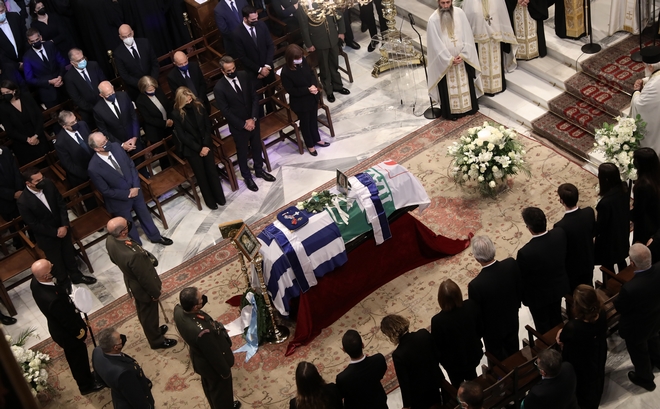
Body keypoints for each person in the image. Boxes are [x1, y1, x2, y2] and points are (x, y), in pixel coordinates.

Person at [29, 259, 105, 396]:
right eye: (51, 267)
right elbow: (67, 321)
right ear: (46, 276)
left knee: (77, 357)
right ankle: (86, 385)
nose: (53, 265)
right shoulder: (53, 300)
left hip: (57, 323)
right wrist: (79, 331)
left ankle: (87, 378)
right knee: (78, 359)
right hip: (67, 333)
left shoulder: (36, 282)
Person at [87, 132, 173, 246]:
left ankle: (155, 237)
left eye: (106, 139)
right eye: (103, 143)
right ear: (97, 148)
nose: (107, 143)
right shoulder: (93, 168)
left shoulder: (116, 147)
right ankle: (137, 245)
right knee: (127, 225)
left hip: (135, 189)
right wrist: (127, 193)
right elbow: (105, 191)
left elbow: (131, 165)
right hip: (119, 200)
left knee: (145, 215)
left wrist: (136, 186)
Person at [17, 167, 97, 286]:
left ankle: (76, 276)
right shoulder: (23, 201)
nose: (42, 181)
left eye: (42, 178)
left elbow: (61, 204)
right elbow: (33, 224)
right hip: (47, 236)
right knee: (57, 263)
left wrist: (64, 225)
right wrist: (55, 232)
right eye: (37, 181)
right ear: (28, 183)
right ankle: (65, 283)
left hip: (63, 228)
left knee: (69, 255)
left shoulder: (48, 184)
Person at [105, 216, 177, 350]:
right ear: (123, 232)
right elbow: (145, 278)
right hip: (142, 288)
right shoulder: (134, 256)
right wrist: (154, 293)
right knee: (149, 315)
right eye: (127, 224)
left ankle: (154, 331)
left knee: (145, 313)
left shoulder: (110, 240)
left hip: (131, 280)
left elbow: (114, 259)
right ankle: (156, 341)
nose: (129, 224)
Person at [213, 55, 276, 192]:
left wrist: (253, 118)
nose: (232, 71)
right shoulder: (219, 88)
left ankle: (259, 170)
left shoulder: (244, 75)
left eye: (233, 68)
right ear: (222, 71)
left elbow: (254, 97)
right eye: (229, 70)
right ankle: (247, 177)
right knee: (242, 152)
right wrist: (243, 124)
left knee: (256, 145)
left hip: (253, 120)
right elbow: (226, 111)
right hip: (239, 126)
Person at [173, 287, 241, 409]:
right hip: (211, 366)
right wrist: (225, 372)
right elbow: (214, 355)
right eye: (200, 299)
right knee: (221, 392)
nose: (203, 299)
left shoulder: (178, 311)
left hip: (199, 358)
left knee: (211, 388)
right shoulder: (203, 332)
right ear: (195, 307)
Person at [613, 243, 660, 391]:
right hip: (656, 318)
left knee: (639, 352)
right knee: (654, 339)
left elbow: (620, 308)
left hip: (637, 328)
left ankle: (646, 379)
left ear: (632, 263)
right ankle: (658, 360)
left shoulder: (630, 288)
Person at [517, 207, 570, 334]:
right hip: (558, 288)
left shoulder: (525, 253)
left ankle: (550, 343)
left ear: (529, 228)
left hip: (539, 298)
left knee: (543, 327)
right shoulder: (559, 234)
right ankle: (562, 335)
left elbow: (523, 278)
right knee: (556, 315)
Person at [468, 235, 522, 361]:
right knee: (514, 349)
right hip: (512, 318)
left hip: (492, 331)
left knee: (497, 360)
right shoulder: (510, 264)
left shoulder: (475, 285)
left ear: (476, 258)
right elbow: (519, 288)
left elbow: (477, 314)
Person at [427, 0, 482, 120]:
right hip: (446, 63)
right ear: (438, 2)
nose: (446, 6)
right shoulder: (433, 20)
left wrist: (464, 54)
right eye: (443, 3)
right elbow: (435, 45)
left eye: (448, 2)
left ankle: (469, 108)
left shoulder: (460, 13)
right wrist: (449, 59)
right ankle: (452, 113)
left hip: (462, 59)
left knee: (465, 84)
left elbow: (467, 35)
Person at [172, 86, 226, 209]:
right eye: (186, 101)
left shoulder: (199, 105)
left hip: (205, 144)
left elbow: (207, 126)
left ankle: (220, 197)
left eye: (190, 99)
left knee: (212, 171)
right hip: (192, 149)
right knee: (201, 176)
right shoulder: (176, 113)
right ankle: (210, 201)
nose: (189, 102)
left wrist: (205, 145)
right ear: (180, 101)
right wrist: (199, 149)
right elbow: (182, 136)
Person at [556, 285, 607, 409]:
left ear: (578, 307)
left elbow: (561, 338)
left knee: (583, 385)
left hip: (581, 360)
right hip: (597, 351)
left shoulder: (573, 327)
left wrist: (560, 332)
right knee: (596, 376)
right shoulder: (602, 313)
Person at [380, 314, 444, 409]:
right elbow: (437, 354)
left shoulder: (398, 354)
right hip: (435, 382)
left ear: (390, 334)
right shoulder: (423, 334)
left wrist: (406, 406)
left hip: (419, 395)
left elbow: (404, 383)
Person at [280, 44, 330, 157]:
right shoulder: (286, 72)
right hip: (301, 102)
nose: (300, 59)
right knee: (305, 124)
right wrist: (307, 90)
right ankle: (310, 144)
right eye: (297, 58)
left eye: (300, 57)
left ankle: (317, 139)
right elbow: (291, 90)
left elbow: (312, 73)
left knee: (313, 120)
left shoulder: (304, 61)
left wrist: (313, 85)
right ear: (291, 58)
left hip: (312, 97)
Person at [431, 279, 483, 387]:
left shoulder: (437, 321)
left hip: (453, 365)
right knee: (473, 379)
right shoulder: (471, 305)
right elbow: (480, 329)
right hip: (473, 355)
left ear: (440, 299)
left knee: (457, 386)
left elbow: (438, 347)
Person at [462, 0, 517, 95]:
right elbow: (468, 19)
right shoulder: (469, 2)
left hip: (495, 38)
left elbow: (501, 14)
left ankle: (498, 86)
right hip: (479, 38)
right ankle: (483, 87)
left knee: (495, 62)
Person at [297, 3, 350, 103]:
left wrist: (341, 31)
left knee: (334, 63)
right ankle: (329, 90)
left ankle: (338, 85)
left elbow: (338, 13)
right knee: (324, 67)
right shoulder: (303, 4)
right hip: (319, 40)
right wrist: (309, 44)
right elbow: (304, 26)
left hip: (333, 37)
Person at [92, 328, 155, 408]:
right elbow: (137, 400)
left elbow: (99, 379)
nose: (122, 339)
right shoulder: (124, 373)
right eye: (120, 339)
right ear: (115, 347)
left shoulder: (97, 351)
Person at [554, 183, 596, 290]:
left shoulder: (560, 226)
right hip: (589, 260)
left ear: (561, 201)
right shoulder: (589, 212)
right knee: (589, 285)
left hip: (574, 269)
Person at [54, 110, 97, 210]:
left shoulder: (83, 125)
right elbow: (69, 165)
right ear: (64, 126)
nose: (76, 123)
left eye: (75, 120)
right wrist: (88, 174)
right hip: (82, 175)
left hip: (97, 164)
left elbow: (93, 143)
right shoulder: (60, 143)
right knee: (92, 202)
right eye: (72, 123)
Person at [0, 79, 49, 166]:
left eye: (7, 92)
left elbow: (39, 117)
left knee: (48, 159)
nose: (6, 95)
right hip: (22, 141)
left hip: (38, 134)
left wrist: (36, 135)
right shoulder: (3, 107)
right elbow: (10, 130)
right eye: (3, 93)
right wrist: (27, 139)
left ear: (14, 90)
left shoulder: (26, 97)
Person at [335, 329, 388, 409]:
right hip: (379, 404)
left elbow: (342, 394)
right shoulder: (378, 359)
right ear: (363, 345)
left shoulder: (342, 378)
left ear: (344, 350)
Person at [594, 163, 630, 274]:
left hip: (609, 240)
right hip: (622, 231)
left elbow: (601, 226)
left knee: (607, 266)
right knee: (621, 260)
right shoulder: (624, 187)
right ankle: (624, 277)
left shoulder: (605, 203)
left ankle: (610, 282)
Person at [93, 81, 142, 157]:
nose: (111, 95)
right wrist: (121, 144)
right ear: (101, 95)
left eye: (112, 92)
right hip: (117, 144)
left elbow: (133, 116)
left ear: (113, 87)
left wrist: (135, 137)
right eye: (108, 95)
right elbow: (104, 131)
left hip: (134, 138)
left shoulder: (124, 96)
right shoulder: (98, 110)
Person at [22, 27, 67, 108]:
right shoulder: (27, 57)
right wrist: (49, 82)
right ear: (29, 42)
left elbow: (61, 61)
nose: (35, 42)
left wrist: (60, 76)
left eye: (37, 39)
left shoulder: (50, 45)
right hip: (47, 93)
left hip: (62, 85)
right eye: (32, 41)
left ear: (41, 37)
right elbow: (29, 79)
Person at [134, 75, 172, 169]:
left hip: (169, 125)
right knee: (164, 157)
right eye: (149, 90)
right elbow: (148, 119)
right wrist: (164, 123)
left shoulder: (158, 91)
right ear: (143, 89)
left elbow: (168, 105)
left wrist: (170, 119)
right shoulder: (140, 100)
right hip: (156, 131)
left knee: (173, 148)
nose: (152, 91)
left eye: (153, 89)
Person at [113, 24, 159, 100]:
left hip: (154, 84)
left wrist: (151, 82)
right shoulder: (118, 53)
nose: (128, 38)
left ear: (133, 32)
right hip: (137, 90)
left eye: (129, 35)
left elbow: (154, 63)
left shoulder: (145, 43)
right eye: (124, 37)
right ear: (120, 37)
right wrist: (143, 85)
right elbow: (124, 75)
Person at [232, 6, 274, 87]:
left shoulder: (262, 25)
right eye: (253, 19)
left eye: (257, 18)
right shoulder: (237, 33)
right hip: (253, 73)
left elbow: (270, 45)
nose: (256, 20)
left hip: (268, 68)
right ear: (245, 19)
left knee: (272, 90)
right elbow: (242, 56)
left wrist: (266, 66)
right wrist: (259, 70)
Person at [64, 48, 105, 128]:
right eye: (78, 60)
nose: (82, 61)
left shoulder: (94, 65)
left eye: (83, 58)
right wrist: (95, 109)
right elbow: (77, 99)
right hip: (89, 111)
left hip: (104, 102)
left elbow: (103, 81)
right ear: (72, 63)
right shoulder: (69, 77)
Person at [631, 148, 660, 256]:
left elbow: (638, 212)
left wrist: (625, 213)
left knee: (642, 255)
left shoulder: (643, 186)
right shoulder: (655, 176)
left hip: (646, 226)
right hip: (657, 220)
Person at [631, 47, 660, 155]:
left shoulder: (652, 86)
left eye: (644, 66)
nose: (644, 68)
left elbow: (640, 104)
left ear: (651, 66)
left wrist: (636, 92)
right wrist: (644, 81)